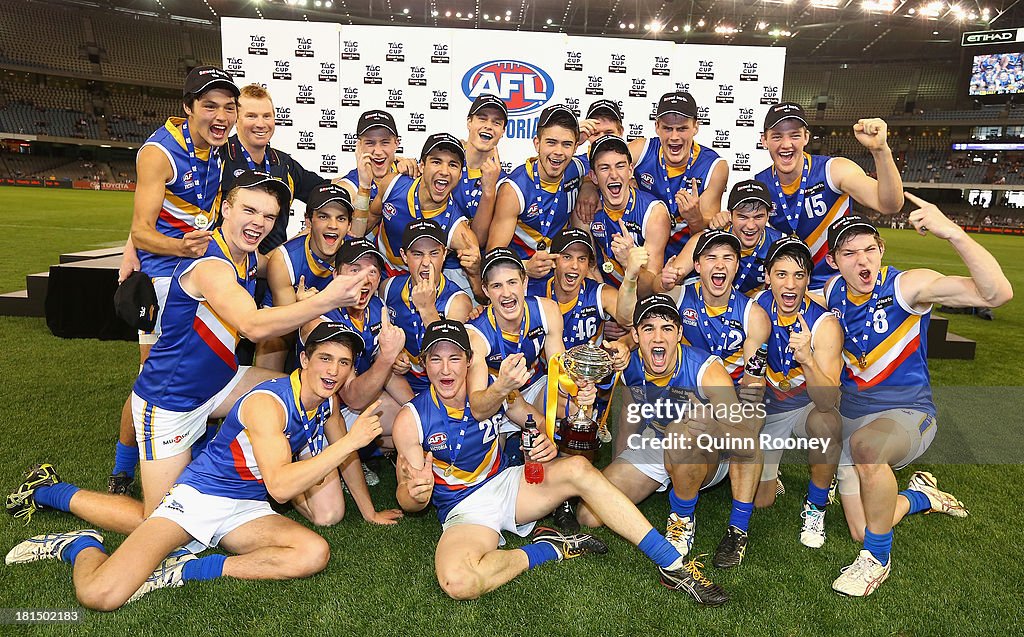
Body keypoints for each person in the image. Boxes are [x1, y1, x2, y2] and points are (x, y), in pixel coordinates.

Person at [6, 323, 400, 610]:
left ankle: (188, 570)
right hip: (200, 498)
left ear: (351, 370)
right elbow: (281, 486)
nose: (332, 370)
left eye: (343, 363)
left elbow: (341, 454)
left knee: (312, 553)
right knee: (99, 595)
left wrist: (368, 511)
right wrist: (351, 439)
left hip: (245, 506)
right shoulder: (269, 404)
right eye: (325, 359)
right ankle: (79, 544)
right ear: (304, 360)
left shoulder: (325, 400)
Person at [392, 319, 728, 606]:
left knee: (579, 469)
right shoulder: (411, 419)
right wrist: (418, 493)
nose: (446, 369)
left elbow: (535, 421)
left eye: (454, 358)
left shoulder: (495, 390)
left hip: (510, 486)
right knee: (458, 582)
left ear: (469, 361)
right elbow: (406, 498)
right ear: (424, 363)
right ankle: (552, 548)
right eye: (436, 359)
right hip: (463, 508)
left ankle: (673, 564)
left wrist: (547, 437)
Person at [130, 171, 369, 515]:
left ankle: (291, 464)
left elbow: (278, 260)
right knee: (160, 520)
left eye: (268, 216)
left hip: (220, 381)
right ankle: (55, 492)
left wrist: (312, 244)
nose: (259, 223)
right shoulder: (211, 264)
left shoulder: (246, 255)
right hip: (172, 401)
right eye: (249, 210)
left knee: (298, 390)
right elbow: (253, 326)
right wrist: (324, 301)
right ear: (226, 208)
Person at [822, 200, 1011, 596]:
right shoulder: (833, 290)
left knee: (867, 450)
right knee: (863, 527)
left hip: (907, 415)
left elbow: (997, 295)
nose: (862, 261)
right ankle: (920, 495)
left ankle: (876, 562)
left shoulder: (907, 287)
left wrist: (953, 232)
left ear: (881, 251)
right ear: (835, 260)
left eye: (869, 249)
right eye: (850, 252)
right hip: (855, 419)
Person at [109, 66, 240, 496]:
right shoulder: (158, 153)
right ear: (187, 108)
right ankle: (123, 468)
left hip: (199, 273)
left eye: (228, 107)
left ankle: (185, 450)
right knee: (152, 377)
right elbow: (142, 230)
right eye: (209, 106)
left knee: (199, 370)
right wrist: (177, 248)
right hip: (165, 280)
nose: (221, 116)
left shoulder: (219, 149)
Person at [576, 295, 757, 577]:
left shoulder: (706, 370)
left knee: (680, 433)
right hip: (657, 441)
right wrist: (622, 459)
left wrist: (714, 429)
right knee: (589, 514)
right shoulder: (630, 366)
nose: (658, 338)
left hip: (710, 452)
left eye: (667, 328)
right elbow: (630, 414)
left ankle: (683, 519)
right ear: (635, 335)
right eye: (648, 328)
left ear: (679, 334)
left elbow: (746, 440)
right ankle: (671, 483)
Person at [749, 237, 843, 551]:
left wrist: (807, 359)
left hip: (807, 408)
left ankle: (816, 507)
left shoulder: (825, 324)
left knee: (826, 424)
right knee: (761, 501)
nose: (790, 284)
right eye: (781, 274)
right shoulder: (756, 306)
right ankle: (771, 476)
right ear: (767, 276)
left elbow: (827, 401)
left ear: (807, 280)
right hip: (773, 411)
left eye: (799, 275)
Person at [754, 102, 904, 290]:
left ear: (806, 137)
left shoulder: (833, 170)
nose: (786, 144)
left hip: (842, 284)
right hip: (794, 287)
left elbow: (890, 205)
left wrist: (881, 151)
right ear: (764, 140)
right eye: (777, 136)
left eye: (795, 135)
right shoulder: (761, 185)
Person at [368, 133, 482, 297]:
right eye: (436, 162)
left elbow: (480, 295)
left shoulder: (459, 232)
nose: (444, 171)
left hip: (420, 286)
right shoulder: (393, 185)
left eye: (453, 165)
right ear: (422, 166)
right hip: (378, 272)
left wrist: (476, 270)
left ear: (460, 174)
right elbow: (367, 223)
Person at [220, 83, 328, 254]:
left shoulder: (283, 163)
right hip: (228, 264)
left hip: (270, 272)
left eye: (267, 116)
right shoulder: (218, 157)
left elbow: (326, 190)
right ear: (236, 119)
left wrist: (362, 181)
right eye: (251, 116)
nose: (261, 124)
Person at [465, 248, 565, 429]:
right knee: (487, 444)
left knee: (571, 405)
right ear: (486, 291)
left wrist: (578, 387)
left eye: (512, 282)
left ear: (524, 282)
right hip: (495, 398)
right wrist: (502, 387)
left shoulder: (547, 311)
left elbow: (560, 372)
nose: (506, 293)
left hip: (534, 387)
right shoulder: (476, 336)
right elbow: (478, 409)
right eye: (496, 286)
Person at [488, 104, 588, 283]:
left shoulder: (577, 168)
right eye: (551, 142)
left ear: (575, 148)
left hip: (560, 276)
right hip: (519, 277)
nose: (558, 152)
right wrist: (525, 266)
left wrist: (589, 186)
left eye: (566, 144)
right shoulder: (514, 190)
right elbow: (493, 257)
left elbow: (612, 164)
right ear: (537, 143)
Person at [259, 183, 354, 370]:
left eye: (341, 218)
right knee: (271, 344)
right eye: (323, 216)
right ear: (309, 222)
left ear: (349, 225)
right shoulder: (284, 260)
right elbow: (285, 326)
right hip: (285, 324)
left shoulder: (357, 255)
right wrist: (305, 308)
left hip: (335, 322)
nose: (333, 225)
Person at [627, 92, 727, 259]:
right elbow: (601, 166)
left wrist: (695, 218)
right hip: (643, 255)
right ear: (657, 126)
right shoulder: (641, 150)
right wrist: (587, 187)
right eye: (667, 128)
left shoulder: (715, 166)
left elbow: (704, 234)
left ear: (695, 127)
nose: (674, 137)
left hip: (687, 259)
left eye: (682, 129)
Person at [381, 219, 473, 394]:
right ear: (403, 255)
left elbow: (452, 360)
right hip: (402, 387)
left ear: (444, 254)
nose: (426, 262)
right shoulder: (388, 288)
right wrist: (394, 355)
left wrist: (427, 309)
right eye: (417, 254)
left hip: (444, 390)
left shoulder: (457, 302)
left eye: (434, 253)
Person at [659, 180, 785, 298]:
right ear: (730, 215)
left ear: (768, 216)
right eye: (742, 217)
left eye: (758, 217)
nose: (751, 225)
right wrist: (666, 281)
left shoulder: (781, 246)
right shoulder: (705, 240)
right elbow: (657, 287)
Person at [582, 135, 670, 289]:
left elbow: (650, 289)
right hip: (604, 293)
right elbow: (590, 267)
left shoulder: (654, 213)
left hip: (640, 298)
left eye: (620, 166)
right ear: (593, 177)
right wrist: (607, 300)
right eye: (604, 168)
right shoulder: (586, 207)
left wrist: (629, 263)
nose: (614, 174)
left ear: (630, 171)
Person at [338, 110, 420, 238]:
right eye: (370, 143)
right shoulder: (348, 187)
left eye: (385, 142)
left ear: (396, 143)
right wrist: (364, 188)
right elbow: (353, 236)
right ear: (359, 146)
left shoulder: (408, 172)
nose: (378, 151)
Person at [457, 94, 507, 246]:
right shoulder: (447, 163)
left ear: (503, 131)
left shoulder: (505, 182)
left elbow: (479, 240)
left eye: (496, 122)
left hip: (475, 262)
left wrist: (489, 190)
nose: (488, 126)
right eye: (482, 119)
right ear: (469, 122)